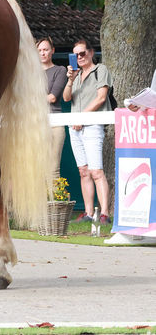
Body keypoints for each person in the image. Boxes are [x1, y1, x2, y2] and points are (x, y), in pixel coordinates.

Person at [63, 39, 112, 225]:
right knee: (83, 171)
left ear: (91, 53)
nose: (79, 57)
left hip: (91, 125)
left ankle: (105, 213)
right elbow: (67, 98)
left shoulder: (100, 70)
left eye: (82, 53)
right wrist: (70, 79)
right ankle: (89, 212)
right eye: (75, 55)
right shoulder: (76, 75)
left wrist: (81, 118)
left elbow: (101, 98)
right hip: (75, 127)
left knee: (96, 171)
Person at [37, 37, 67, 178]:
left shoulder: (59, 70)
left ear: (52, 51)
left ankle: (55, 200)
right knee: (36, 167)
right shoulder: (31, 74)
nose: (43, 53)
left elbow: (52, 97)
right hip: (34, 124)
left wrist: (32, 101)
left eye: (46, 50)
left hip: (54, 124)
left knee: (53, 169)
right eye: (40, 50)